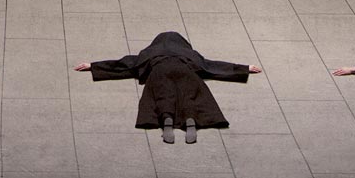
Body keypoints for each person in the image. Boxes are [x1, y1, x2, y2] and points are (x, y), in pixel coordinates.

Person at [74, 32, 261, 144]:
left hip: (159, 70)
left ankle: (167, 120)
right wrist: (245, 68)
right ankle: (190, 119)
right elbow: (214, 67)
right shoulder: (190, 54)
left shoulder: (149, 53)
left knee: (163, 96)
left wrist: (93, 65)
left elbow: (122, 65)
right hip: (185, 70)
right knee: (189, 95)